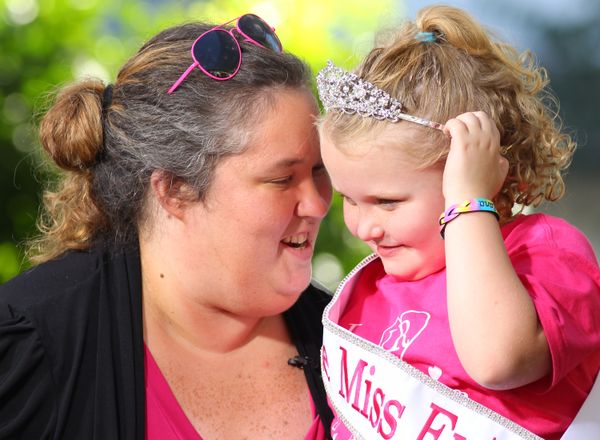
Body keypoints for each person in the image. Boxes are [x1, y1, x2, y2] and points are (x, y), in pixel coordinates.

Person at [0, 14, 335, 440]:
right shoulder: (32, 347)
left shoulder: (356, 336)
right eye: (281, 179)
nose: (318, 202)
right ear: (174, 189)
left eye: (321, 170)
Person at [315, 4, 600, 440]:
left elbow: (497, 360)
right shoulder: (372, 287)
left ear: (477, 172)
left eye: (387, 202)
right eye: (348, 200)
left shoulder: (545, 253)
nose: (363, 227)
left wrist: (467, 202)